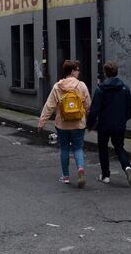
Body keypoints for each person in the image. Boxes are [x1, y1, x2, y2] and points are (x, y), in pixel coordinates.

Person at [38, 59, 92, 188]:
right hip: (78, 123)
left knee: (64, 149)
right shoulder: (82, 86)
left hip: (62, 124)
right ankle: (80, 169)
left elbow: (49, 106)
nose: (79, 72)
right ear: (72, 71)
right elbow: (88, 105)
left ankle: (66, 176)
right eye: (77, 70)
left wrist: (42, 122)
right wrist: (88, 119)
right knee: (78, 147)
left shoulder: (58, 86)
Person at [86, 61, 131, 186]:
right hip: (119, 125)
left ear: (105, 73)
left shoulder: (101, 89)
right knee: (119, 147)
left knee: (103, 148)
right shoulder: (125, 88)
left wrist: (90, 124)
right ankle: (127, 167)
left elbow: (94, 110)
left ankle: (105, 175)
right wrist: (122, 119)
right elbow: (130, 110)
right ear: (116, 72)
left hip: (104, 126)